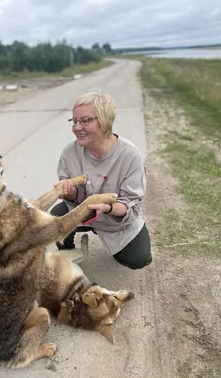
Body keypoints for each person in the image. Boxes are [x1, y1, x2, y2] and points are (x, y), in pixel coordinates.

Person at [50, 90, 152, 270]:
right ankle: (67, 253)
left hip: (115, 220)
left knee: (139, 259)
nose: (77, 127)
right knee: (56, 216)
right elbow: (70, 196)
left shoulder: (129, 155)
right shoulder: (69, 152)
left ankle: (115, 245)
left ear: (104, 120)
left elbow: (131, 204)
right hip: (81, 211)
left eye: (85, 121)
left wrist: (108, 208)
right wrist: (71, 193)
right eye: (74, 121)